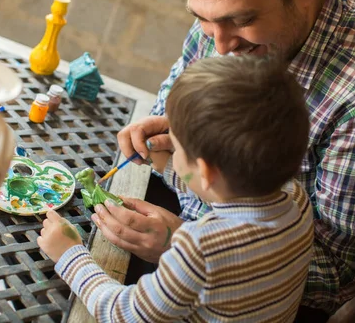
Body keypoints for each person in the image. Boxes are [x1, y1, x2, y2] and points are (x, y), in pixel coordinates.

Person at [91, 0, 355, 319]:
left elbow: (339, 276)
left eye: (241, 20)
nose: (219, 46)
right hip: (188, 221)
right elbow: (174, 101)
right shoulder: (225, 15)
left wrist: (186, 246)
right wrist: (170, 124)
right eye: (203, 19)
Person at [38, 56, 315, 322]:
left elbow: (124, 314)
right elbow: (219, 187)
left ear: (205, 171)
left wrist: (70, 256)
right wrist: (169, 166)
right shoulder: (296, 199)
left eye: (176, 145)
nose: (170, 146)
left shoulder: (199, 249)